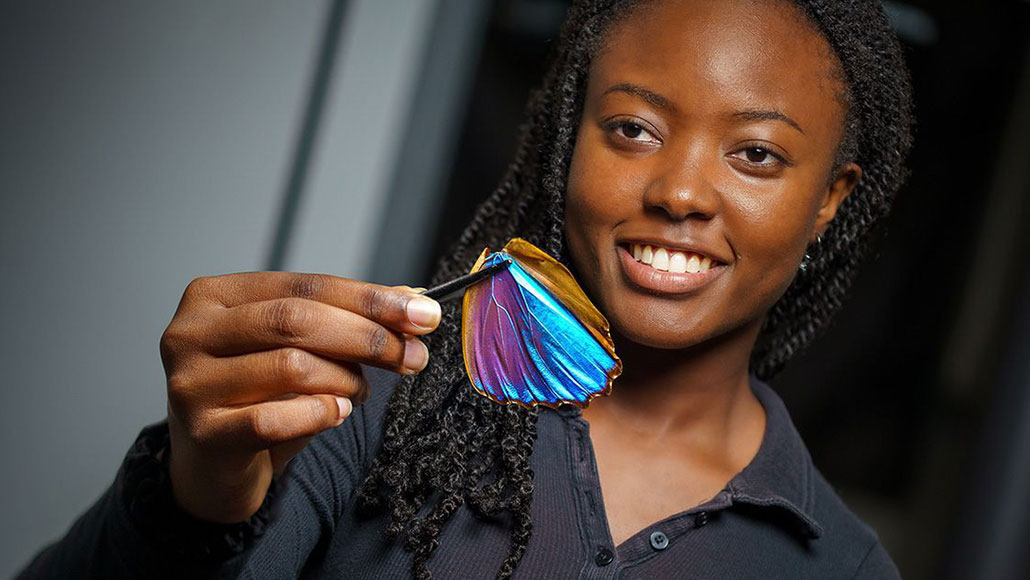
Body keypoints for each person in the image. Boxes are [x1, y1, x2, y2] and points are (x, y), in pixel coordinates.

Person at [18, 0, 913, 578]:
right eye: (633, 129)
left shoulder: (836, 562)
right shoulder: (372, 403)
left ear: (830, 200)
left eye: (755, 153)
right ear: (572, 141)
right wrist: (193, 493)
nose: (678, 192)